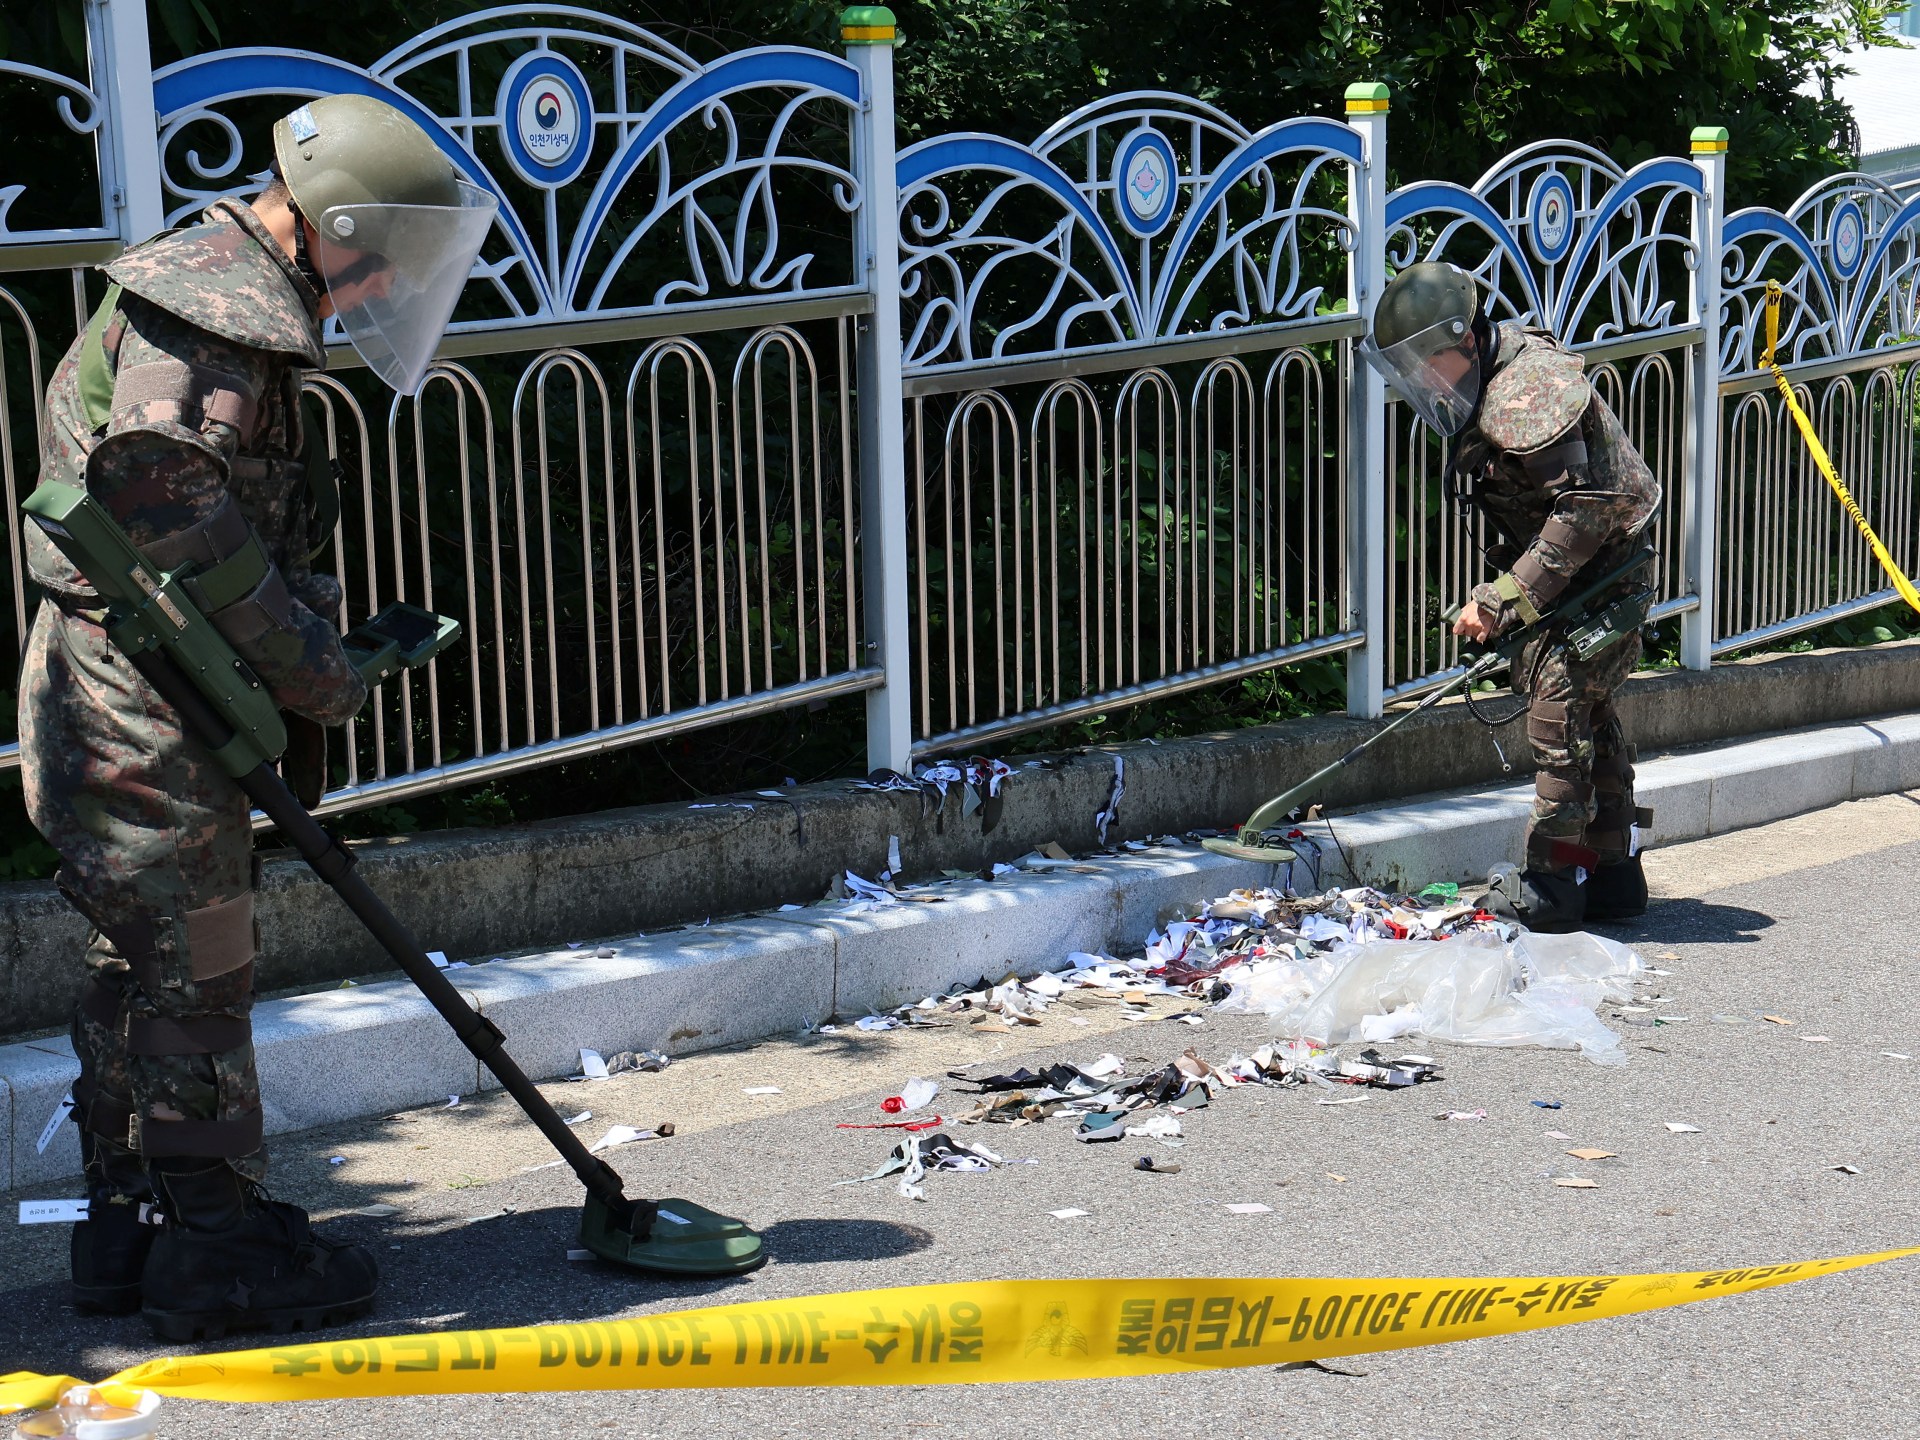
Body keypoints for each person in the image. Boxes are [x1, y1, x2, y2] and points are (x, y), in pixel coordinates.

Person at [20, 93, 495, 1340]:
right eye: (377, 253)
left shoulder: (224, 292)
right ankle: (216, 1248)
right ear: (329, 222)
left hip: (136, 683)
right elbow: (159, 493)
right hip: (143, 697)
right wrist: (314, 669)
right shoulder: (215, 311)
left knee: (143, 962)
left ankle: (127, 1228)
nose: (381, 281)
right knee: (195, 967)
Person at [1362, 261, 1660, 933]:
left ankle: (1552, 886)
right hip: (1582, 576)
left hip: (1606, 574)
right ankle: (1614, 875)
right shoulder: (1492, 377)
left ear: (1464, 340)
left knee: (1558, 721)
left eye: (1426, 360)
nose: (1424, 377)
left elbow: (1585, 511)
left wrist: (1502, 599)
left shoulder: (1527, 390)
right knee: (1590, 719)